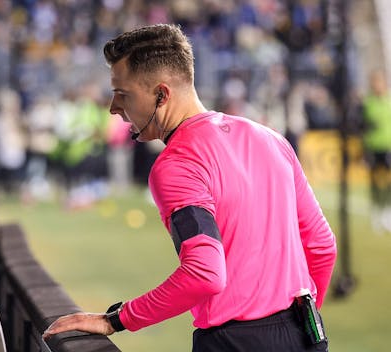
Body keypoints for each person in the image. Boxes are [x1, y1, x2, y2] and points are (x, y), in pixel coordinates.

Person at [43, 24, 337, 351]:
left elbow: (204, 273)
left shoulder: (176, 163)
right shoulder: (270, 139)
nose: (113, 108)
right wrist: (301, 319)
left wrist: (115, 319)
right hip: (305, 334)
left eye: (122, 94)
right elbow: (322, 246)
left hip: (235, 342)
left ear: (162, 94)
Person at [360, 69, 391, 233]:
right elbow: (363, 127)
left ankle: (387, 211)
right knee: (374, 180)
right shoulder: (368, 103)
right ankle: (376, 212)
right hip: (373, 147)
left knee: (388, 180)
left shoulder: (389, 101)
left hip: (388, 146)